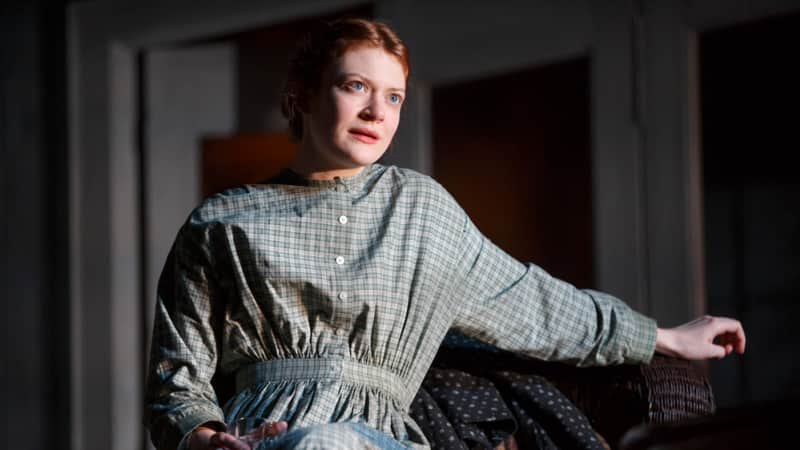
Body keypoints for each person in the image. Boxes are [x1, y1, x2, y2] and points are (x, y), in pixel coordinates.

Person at [144, 18, 745, 450]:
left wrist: (662, 337)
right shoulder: (222, 222)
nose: (377, 111)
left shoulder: (421, 211)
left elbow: (533, 302)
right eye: (355, 86)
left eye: (394, 96)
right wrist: (205, 439)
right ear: (299, 96)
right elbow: (177, 376)